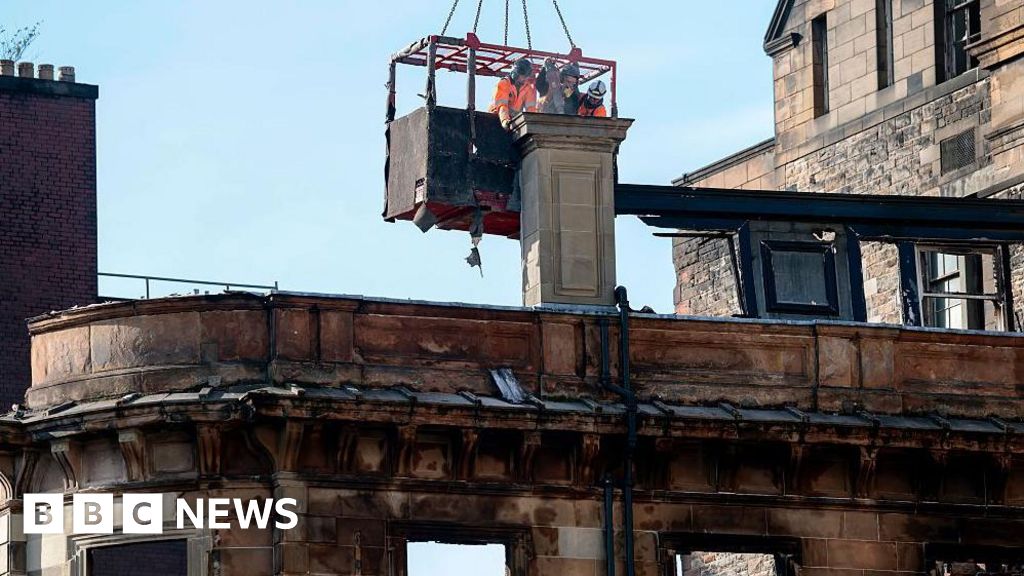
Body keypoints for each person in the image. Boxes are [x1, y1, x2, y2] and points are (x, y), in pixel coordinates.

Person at [489, 58, 537, 130]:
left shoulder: (527, 88)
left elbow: (531, 109)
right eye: (523, 76)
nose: (525, 78)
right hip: (495, 119)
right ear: (516, 73)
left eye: (526, 76)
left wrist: (533, 124)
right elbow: (502, 106)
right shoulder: (504, 83)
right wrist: (504, 120)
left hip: (513, 120)